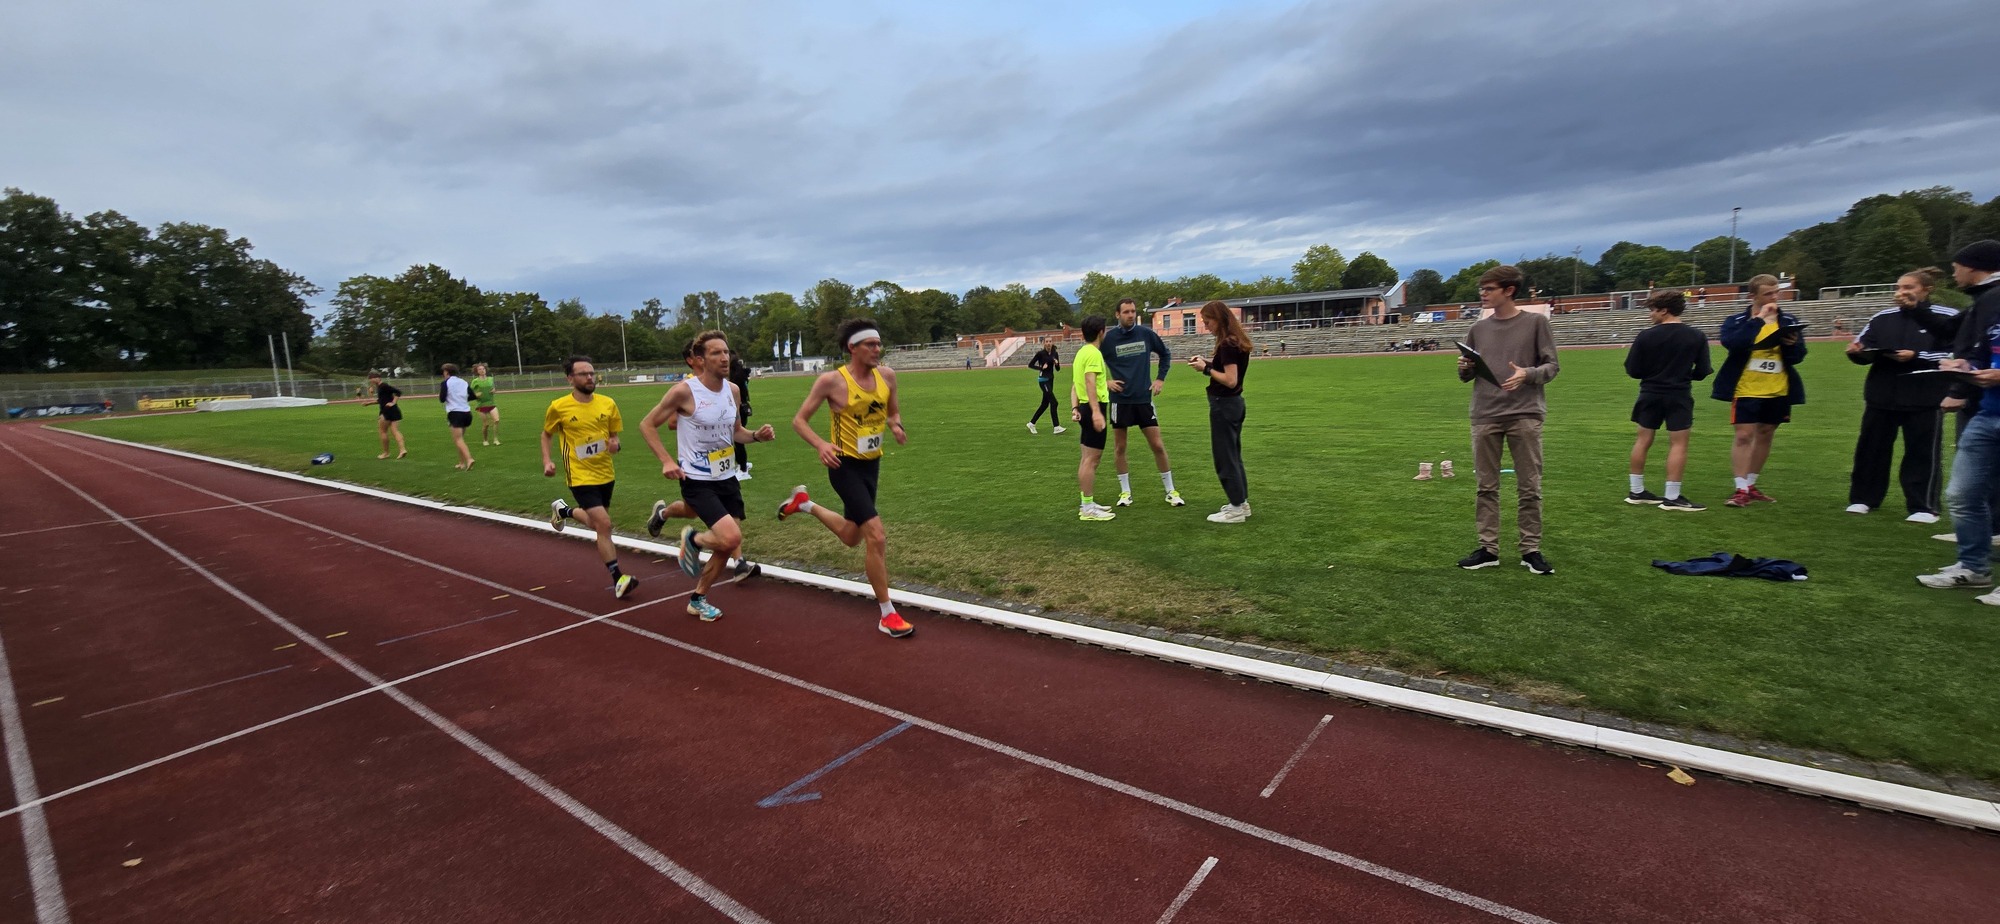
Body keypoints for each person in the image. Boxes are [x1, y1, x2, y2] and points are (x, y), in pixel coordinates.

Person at [781, 318, 916, 638]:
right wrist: (821, 444)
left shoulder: (887, 376)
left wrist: (895, 425)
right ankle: (887, 614)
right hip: (844, 467)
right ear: (852, 347)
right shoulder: (832, 381)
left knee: (851, 536)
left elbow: (893, 411)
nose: (877, 349)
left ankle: (804, 504)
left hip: (871, 466)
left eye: (879, 344)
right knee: (876, 536)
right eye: (871, 344)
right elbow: (799, 421)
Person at [639, 331, 776, 621]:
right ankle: (694, 540)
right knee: (731, 537)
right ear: (700, 360)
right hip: (697, 478)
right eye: (716, 353)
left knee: (726, 545)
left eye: (726, 352)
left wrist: (756, 436)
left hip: (726, 476)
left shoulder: (733, 390)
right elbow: (647, 425)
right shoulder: (684, 392)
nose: (724, 358)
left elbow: (735, 432)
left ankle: (698, 598)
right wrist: (666, 461)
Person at [1456, 265, 1559, 574]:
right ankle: (1488, 549)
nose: (1483, 294)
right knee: (1486, 487)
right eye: (1482, 289)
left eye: (1489, 289)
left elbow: (1552, 366)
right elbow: (1466, 376)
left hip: (1524, 414)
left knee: (1529, 487)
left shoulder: (1536, 323)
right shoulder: (1478, 328)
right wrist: (1464, 367)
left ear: (1509, 290)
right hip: (1485, 414)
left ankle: (1531, 550)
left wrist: (1528, 373)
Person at [1845, 267, 1958, 522]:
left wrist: (1917, 356)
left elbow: (1954, 355)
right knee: (1871, 450)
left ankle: (1923, 506)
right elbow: (1864, 345)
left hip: (1925, 396)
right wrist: (1856, 353)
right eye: (1898, 287)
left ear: (1927, 290)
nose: (1901, 292)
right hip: (1882, 394)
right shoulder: (1882, 317)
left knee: (1922, 453)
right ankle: (1863, 499)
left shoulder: (1947, 317)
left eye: (1908, 287)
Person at [1921, 240, 2000, 594]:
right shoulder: (1987, 303)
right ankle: (1974, 568)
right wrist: (1964, 368)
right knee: (1963, 494)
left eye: (1957, 266)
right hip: (1988, 411)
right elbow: (1980, 351)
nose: (1954, 272)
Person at [541, 355, 637, 599]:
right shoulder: (559, 406)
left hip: (605, 472)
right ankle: (618, 578)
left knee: (597, 524)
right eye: (583, 374)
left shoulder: (608, 403)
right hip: (579, 474)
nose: (590, 377)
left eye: (592, 373)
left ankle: (563, 511)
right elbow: (546, 434)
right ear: (570, 378)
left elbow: (614, 436)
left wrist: (615, 444)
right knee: (604, 524)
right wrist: (547, 460)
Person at [1712, 274, 1807, 507]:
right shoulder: (1737, 320)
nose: (1774, 298)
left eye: (1776, 293)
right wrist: (1758, 321)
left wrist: (1791, 345)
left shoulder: (1788, 320)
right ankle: (1740, 489)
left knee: (1766, 433)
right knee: (1744, 436)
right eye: (1768, 294)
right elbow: (1733, 344)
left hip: (1778, 388)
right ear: (1752, 296)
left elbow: (1798, 356)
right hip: (1746, 387)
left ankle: (1751, 484)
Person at [1623, 291, 1713, 511]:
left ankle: (1636, 491)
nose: (1650, 315)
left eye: (1653, 310)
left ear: (1664, 310)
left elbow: (1633, 369)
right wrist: (1684, 375)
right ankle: (1671, 496)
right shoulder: (1696, 336)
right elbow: (1703, 370)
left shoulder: (1645, 336)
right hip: (1678, 394)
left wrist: (1652, 374)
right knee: (1678, 443)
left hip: (1649, 393)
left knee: (1643, 440)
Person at [1103, 296, 1184, 507]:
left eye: (1133, 311)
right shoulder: (1109, 339)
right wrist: (1106, 382)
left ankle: (1171, 491)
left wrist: (1160, 379)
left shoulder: (1145, 334)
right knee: (1120, 447)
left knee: (1157, 445)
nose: (1130, 315)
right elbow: (1092, 364)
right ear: (1117, 315)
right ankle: (1125, 493)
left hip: (1143, 400)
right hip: (1120, 401)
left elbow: (1165, 354)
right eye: (1126, 312)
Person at [1189, 300, 1253, 523]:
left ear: (1219, 319)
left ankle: (1236, 509)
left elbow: (1230, 379)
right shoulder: (1235, 341)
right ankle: (1241, 503)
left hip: (1224, 404)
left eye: (1208, 321)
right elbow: (1227, 369)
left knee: (1225, 458)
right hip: (1233, 404)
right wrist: (1207, 363)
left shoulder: (1227, 344)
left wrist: (1205, 369)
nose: (1206, 326)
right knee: (1234, 456)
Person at [1071, 317, 1115, 521]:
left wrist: (1075, 408)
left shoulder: (1081, 353)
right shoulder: (1094, 354)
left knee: (1086, 458)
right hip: (1092, 408)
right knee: (1092, 460)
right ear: (1101, 332)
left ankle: (1087, 502)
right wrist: (1096, 412)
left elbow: (1075, 385)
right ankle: (1087, 508)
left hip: (1084, 407)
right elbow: (1090, 382)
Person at [438, 363, 476, 470]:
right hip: (467, 413)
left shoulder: (445, 383)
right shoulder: (463, 382)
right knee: (460, 440)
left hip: (455, 413)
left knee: (458, 439)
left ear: (446, 372)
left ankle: (469, 459)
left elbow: (442, 399)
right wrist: (461, 398)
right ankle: (461, 463)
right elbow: (472, 396)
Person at [1026, 341, 1066, 435]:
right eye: (1047, 341)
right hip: (1043, 380)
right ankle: (1056, 427)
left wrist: (1057, 363)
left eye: (1050, 341)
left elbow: (1058, 369)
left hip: (1050, 380)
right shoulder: (1040, 354)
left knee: (1045, 404)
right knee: (1054, 402)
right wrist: (1041, 368)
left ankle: (1031, 423)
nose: (1048, 343)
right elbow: (1030, 365)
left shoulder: (1054, 353)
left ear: (1052, 343)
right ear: (1044, 343)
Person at [728, 352, 754, 480]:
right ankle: (743, 464)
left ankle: (743, 469)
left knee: (737, 440)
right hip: (743, 408)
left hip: (738, 409)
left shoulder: (735, 378)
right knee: (736, 440)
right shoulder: (740, 374)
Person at [370, 372, 407, 460]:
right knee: (395, 431)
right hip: (394, 410)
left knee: (383, 431)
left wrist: (393, 402)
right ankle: (402, 450)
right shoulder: (380, 387)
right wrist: (368, 403)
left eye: (372, 379)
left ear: (377, 378)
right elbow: (381, 400)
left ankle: (386, 453)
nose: (371, 381)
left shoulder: (383, 386)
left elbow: (398, 392)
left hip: (386, 411)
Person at [470, 362, 500, 446]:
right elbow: (469, 393)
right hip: (481, 405)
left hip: (491, 403)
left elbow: (493, 388)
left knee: (496, 420)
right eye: (480, 369)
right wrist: (476, 395)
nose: (482, 370)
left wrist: (494, 390)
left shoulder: (490, 379)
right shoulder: (475, 381)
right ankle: (485, 440)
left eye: (483, 369)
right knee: (486, 425)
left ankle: (495, 439)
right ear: (477, 371)